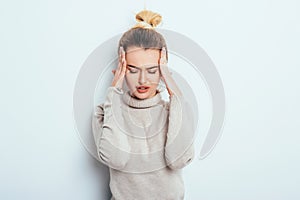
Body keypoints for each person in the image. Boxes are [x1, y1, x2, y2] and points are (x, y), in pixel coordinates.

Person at [92, 9, 196, 200]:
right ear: (120, 71)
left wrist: (173, 89)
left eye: (152, 70)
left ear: (163, 72)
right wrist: (113, 92)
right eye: (132, 70)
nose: (142, 80)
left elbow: (179, 159)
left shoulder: (174, 110)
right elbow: (116, 158)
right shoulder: (105, 112)